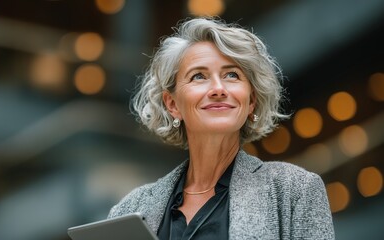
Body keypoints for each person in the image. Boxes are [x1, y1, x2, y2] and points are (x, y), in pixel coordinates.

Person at [108, 18, 335, 239]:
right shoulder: (129, 209)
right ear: (173, 104)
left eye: (231, 75)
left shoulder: (294, 191)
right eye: (199, 76)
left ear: (251, 101)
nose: (218, 88)